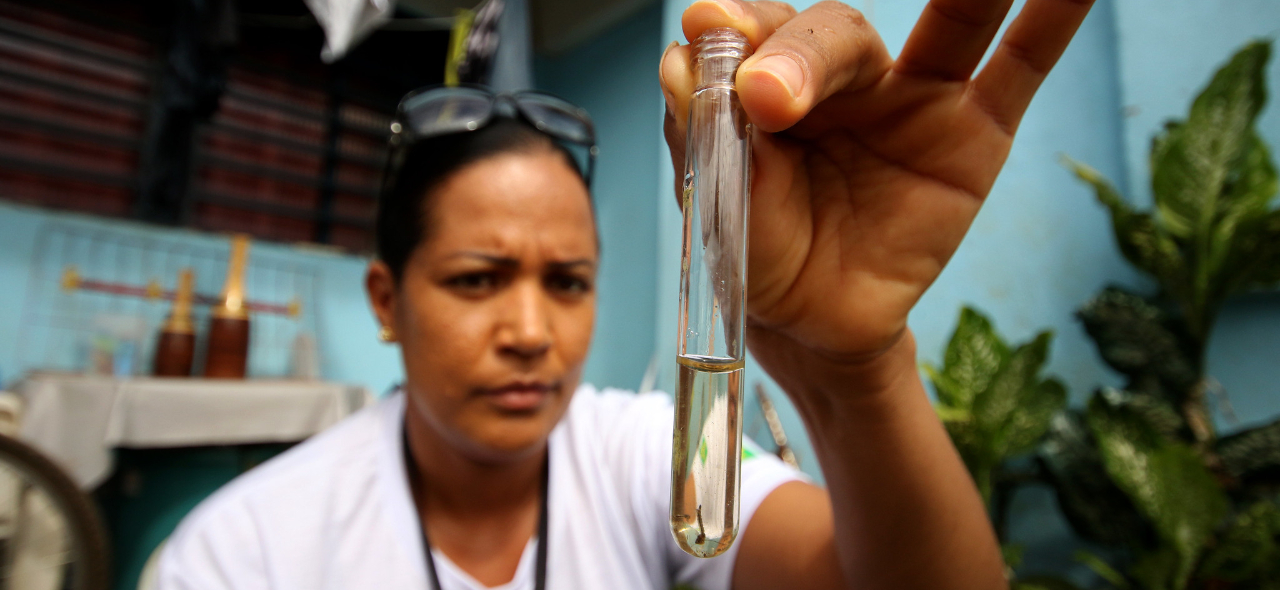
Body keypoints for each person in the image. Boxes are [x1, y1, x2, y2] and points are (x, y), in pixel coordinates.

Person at [154, 0, 1095, 588]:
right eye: (477, 280)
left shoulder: (641, 459)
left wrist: (858, 368)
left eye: (569, 281)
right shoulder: (245, 553)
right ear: (386, 300)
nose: (531, 332)